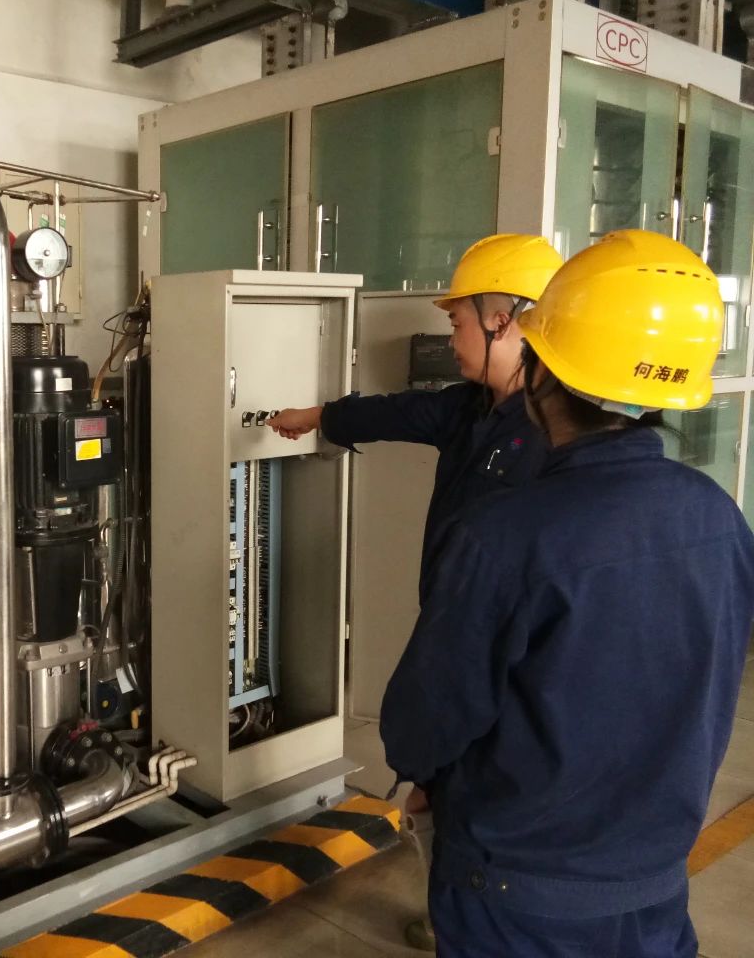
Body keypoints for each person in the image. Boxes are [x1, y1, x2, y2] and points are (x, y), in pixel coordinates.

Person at [380, 230, 754, 957]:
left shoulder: (505, 536)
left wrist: (427, 775)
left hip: (513, 898)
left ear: (543, 371)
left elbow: (421, 723)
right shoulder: (719, 517)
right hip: (653, 890)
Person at [269, 233, 562, 949]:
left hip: (509, 653)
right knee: (440, 790)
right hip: (457, 635)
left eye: (457, 322)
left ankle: (478, 921)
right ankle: (450, 914)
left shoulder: (556, 432)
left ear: (502, 320)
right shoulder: (473, 409)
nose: (449, 339)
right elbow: (399, 412)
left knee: (483, 794)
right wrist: (320, 416)